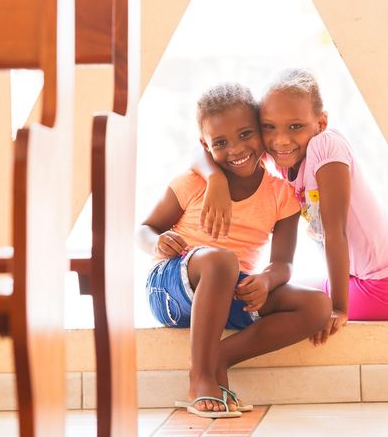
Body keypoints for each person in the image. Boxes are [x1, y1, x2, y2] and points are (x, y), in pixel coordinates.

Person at [136, 83, 331, 419]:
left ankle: (220, 358)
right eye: (221, 143)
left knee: (316, 305)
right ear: (205, 146)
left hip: (230, 290)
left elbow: (283, 264)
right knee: (221, 260)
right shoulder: (194, 182)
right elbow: (143, 229)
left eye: (246, 135)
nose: (237, 149)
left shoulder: (280, 195)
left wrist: (267, 280)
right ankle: (200, 379)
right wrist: (156, 242)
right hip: (171, 286)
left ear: (260, 132)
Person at [195, 69, 388, 346]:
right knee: (275, 294)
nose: (281, 139)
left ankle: (218, 357)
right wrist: (215, 179)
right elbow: (201, 148)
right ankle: (214, 357)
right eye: (269, 127)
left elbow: (334, 231)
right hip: (360, 280)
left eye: (295, 126)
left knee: (291, 308)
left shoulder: (326, 147)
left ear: (321, 122)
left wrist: (339, 308)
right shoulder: (283, 156)